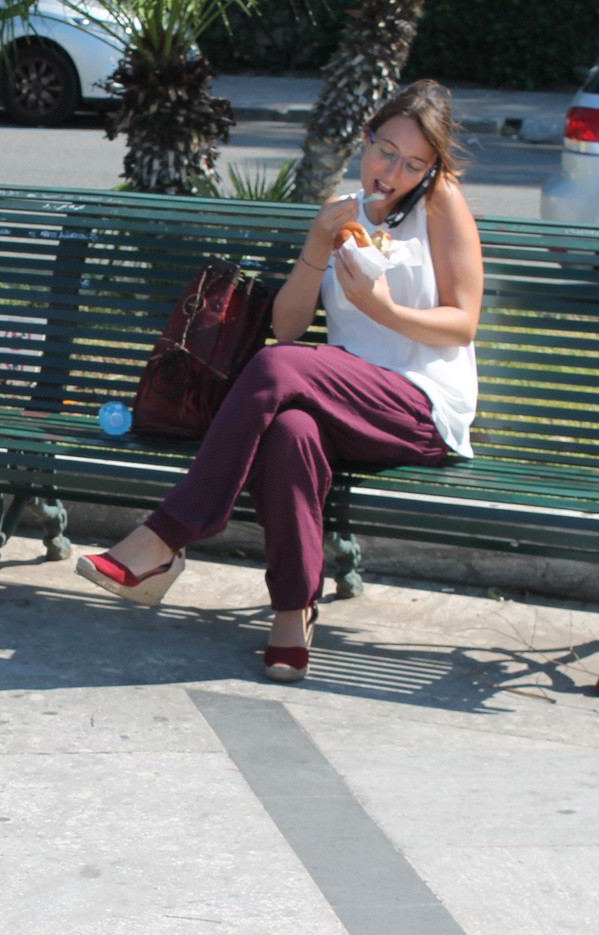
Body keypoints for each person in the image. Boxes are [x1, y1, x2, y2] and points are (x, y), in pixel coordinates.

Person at [75, 80, 482, 683]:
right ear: (366, 137)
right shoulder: (345, 212)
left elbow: (463, 321)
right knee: (291, 431)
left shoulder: (440, 203)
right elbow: (288, 327)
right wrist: (317, 245)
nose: (393, 171)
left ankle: (166, 537)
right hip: (347, 401)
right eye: (386, 150)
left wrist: (382, 309)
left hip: (421, 406)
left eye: (414, 163)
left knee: (272, 369)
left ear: (433, 168)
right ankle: (293, 610)